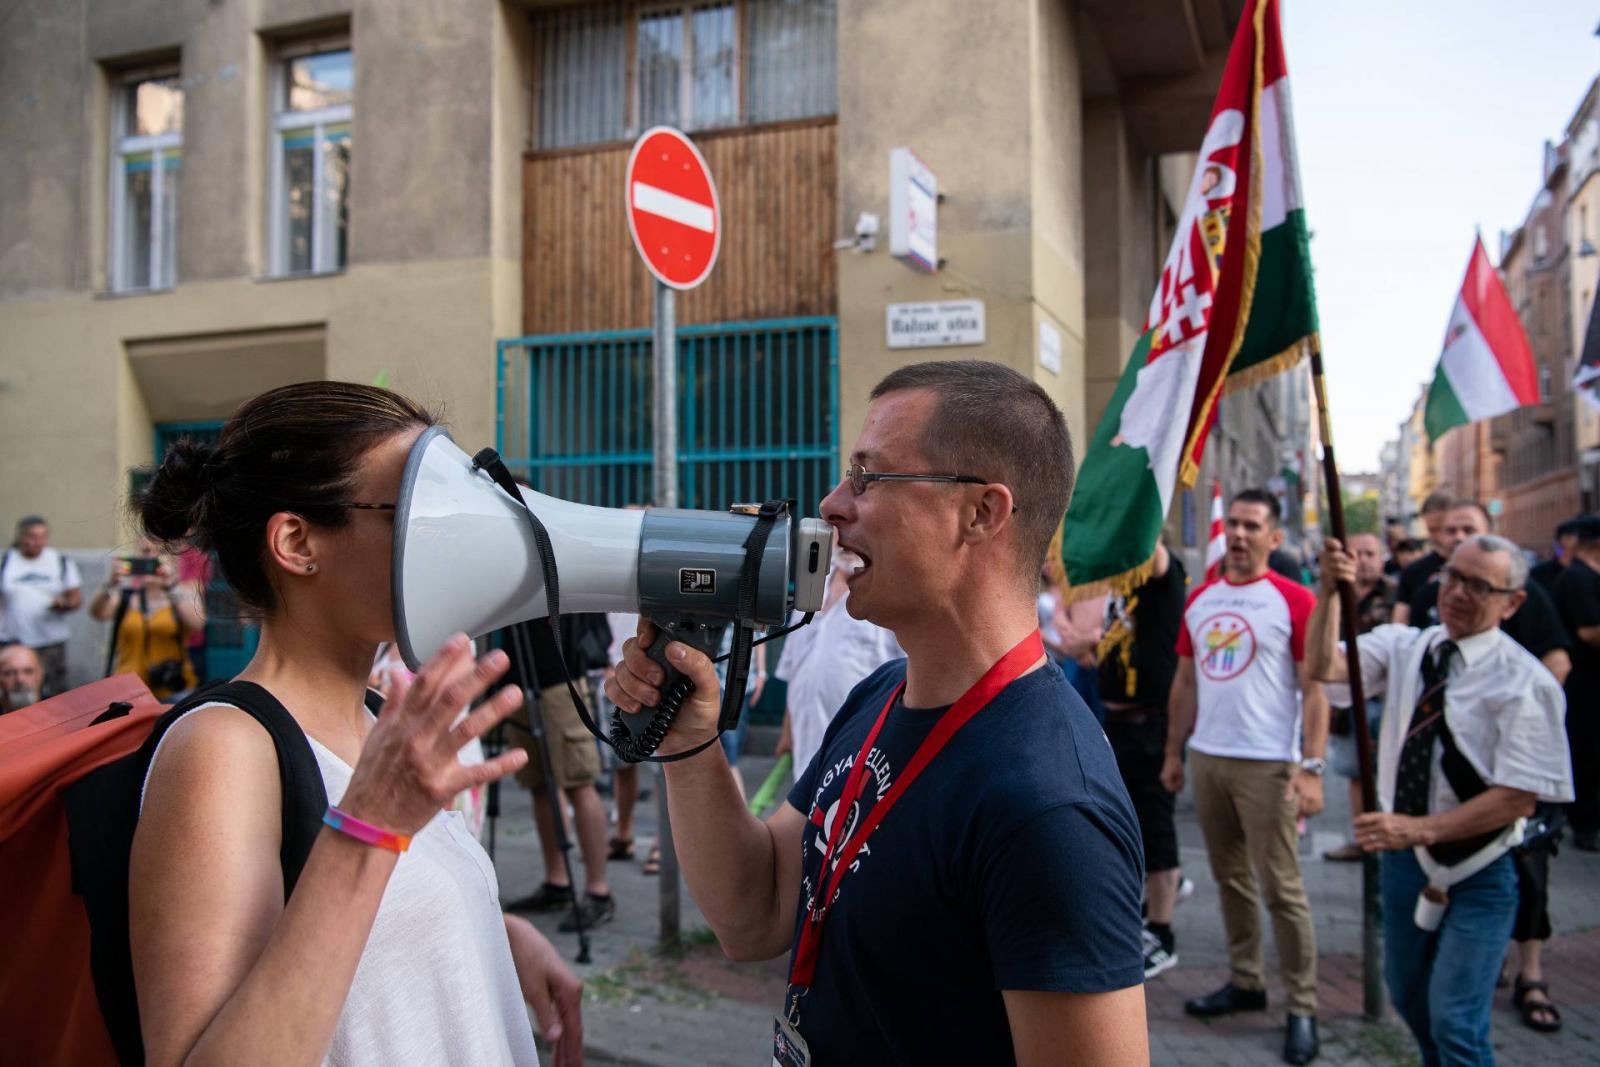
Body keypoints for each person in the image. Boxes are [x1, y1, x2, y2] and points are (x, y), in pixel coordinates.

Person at [607, 360, 1148, 1065]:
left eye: (868, 477)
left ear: (981, 512)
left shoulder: (1047, 806)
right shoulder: (882, 694)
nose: (832, 504)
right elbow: (757, 910)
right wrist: (690, 743)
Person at [128, 381, 582, 1065]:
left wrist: (486, 927)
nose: (448, 535)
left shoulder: (378, 717)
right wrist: (373, 823)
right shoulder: (220, 750)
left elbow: (354, 927)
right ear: (297, 541)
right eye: (416, 511)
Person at [1309, 534, 1572, 1067]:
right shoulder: (1406, 646)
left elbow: (1518, 799)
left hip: (1482, 868)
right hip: (1407, 866)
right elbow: (1325, 668)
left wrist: (1419, 830)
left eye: (1478, 586)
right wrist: (1329, 594)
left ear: (1512, 602)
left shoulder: (1527, 682)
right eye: (1452, 577)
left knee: (1456, 1019)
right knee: (1409, 998)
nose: (1455, 593)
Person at [1161, 488, 1327, 1066]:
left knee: (1281, 886)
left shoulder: (1295, 600)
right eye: (1232, 523)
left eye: (1251, 525)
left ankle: (1302, 1005)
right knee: (1230, 878)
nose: (1237, 534)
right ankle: (1246, 980)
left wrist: (1311, 766)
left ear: (1273, 538)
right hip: (1209, 756)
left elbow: (1314, 690)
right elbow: (1185, 681)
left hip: (1268, 763)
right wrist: (1174, 753)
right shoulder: (1201, 598)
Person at [1097, 539, 1188, 978]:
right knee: (1127, 821)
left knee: (1156, 826)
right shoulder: (1120, 587)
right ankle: (1141, 910)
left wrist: (1129, 503)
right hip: (1119, 723)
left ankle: (1162, 932)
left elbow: (1151, 552)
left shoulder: (1163, 579)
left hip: (1152, 723)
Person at [502, 616, 618, 932]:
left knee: (579, 783)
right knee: (537, 784)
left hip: (562, 673)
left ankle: (598, 890)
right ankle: (558, 882)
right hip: (520, 675)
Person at [1402, 502, 1572, 686]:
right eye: (1451, 531)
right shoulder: (1426, 590)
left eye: (1469, 530)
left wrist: (1523, 705)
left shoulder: (1517, 588)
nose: (1459, 537)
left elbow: (1556, 660)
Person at [773, 547, 902, 780]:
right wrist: (788, 732)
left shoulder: (890, 594)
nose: (844, 538)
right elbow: (796, 667)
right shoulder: (812, 586)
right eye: (834, 524)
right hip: (806, 758)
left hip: (861, 764)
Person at [1323, 532, 1396, 862]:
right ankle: (1361, 840)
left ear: (1382, 557)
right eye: (1357, 553)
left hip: (1388, 698)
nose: (1364, 559)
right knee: (1354, 770)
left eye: (1370, 553)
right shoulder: (1334, 595)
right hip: (1347, 697)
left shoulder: (1396, 595)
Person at [88, 537, 206, 700]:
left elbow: (197, 623)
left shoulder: (182, 593)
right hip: (128, 689)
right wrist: (110, 583)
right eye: (146, 552)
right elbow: (97, 613)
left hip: (172, 686)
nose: (152, 558)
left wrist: (170, 586)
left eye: (161, 553)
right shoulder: (126, 597)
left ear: (173, 560)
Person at [0, 516, 83, 697]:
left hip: (49, 643)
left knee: (52, 695)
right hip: (12, 641)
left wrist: (64, 604)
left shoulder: (59, 561)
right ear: (20, 536)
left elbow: (76, 598)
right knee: (11, 694)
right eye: (32, 536)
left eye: (42, 537)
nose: (37, 542)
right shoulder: (6, 561)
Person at [1556, 515, 1600, 853]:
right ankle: (1584, 823)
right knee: (1585, 751)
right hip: (1584, 683)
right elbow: (1589, 631)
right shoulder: (1578, 577)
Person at [1391, 492, 1454, 626]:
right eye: (1432, 530)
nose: (1438, 537)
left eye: (1445, 529)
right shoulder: (1413, 572)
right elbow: (1399, 624)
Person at [0, 642, 43, 712]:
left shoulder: (58, 711)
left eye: (28, 671)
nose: (20, 680)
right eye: (9, 673)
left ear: (40, 674)